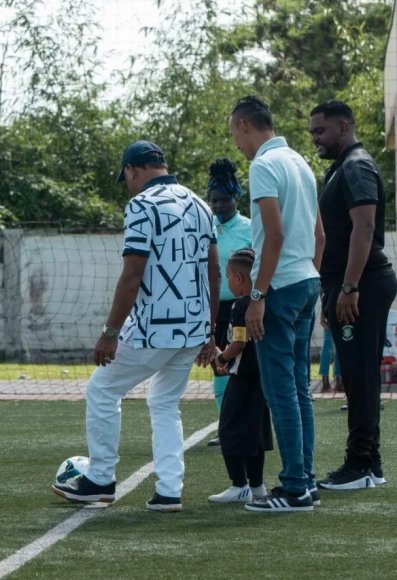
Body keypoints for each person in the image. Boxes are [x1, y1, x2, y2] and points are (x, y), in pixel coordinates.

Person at [51, 140, 220, 513]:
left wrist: (110, 333)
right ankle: (169, 491)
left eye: (124, 177)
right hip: (192, 329)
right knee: (164, 403)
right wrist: (210, 331)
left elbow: (132, 275)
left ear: (132, 169)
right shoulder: (199, 204)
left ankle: (99, 479)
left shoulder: (142, 206)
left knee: (102, 390)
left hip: (153, 329)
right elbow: (213, 270)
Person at [228, 96, 324, 513]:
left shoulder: (264, 166)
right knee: (299, 389)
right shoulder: (301, 163)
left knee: (280, 391)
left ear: (246, 125)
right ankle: (306, 480)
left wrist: (258, 295)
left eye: (235, 134)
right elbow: (319, 235)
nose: (236, 144)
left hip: (281, 288)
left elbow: (275, 234)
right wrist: (310, 277)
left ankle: (295, 488)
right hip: (306, 281)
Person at [309, 99, 397, 490]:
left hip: (363, 285)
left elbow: (364, 229)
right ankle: (368, 463)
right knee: (356, 375)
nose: (315, 139)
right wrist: (331, 293)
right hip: (346, 287)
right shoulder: (339, 168)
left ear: (343, 127)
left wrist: (348, 288)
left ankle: (362, 464)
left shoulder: (356, 165)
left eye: (320, 131)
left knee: (360, 377)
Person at [209, 248, 274, 504]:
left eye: (227, 276)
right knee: (256, 431)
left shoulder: (241, 307)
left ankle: (239, 484)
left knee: (229, 428)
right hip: (263, 377)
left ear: (238, 278)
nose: (227, 281)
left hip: (243, 377)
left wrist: (221, 358)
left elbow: (238, 344)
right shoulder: (263, 302)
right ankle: (257, 485)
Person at [206, 158, 251, 446]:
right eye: (214, 201)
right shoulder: (204, 226)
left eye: (225, 200)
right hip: (213, 309)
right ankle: (228, 425)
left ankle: (242, 424)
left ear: (236, 199)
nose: (220, 206)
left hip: (242, 309)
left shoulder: (249, 228)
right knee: (218, 364)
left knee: (239, 365)